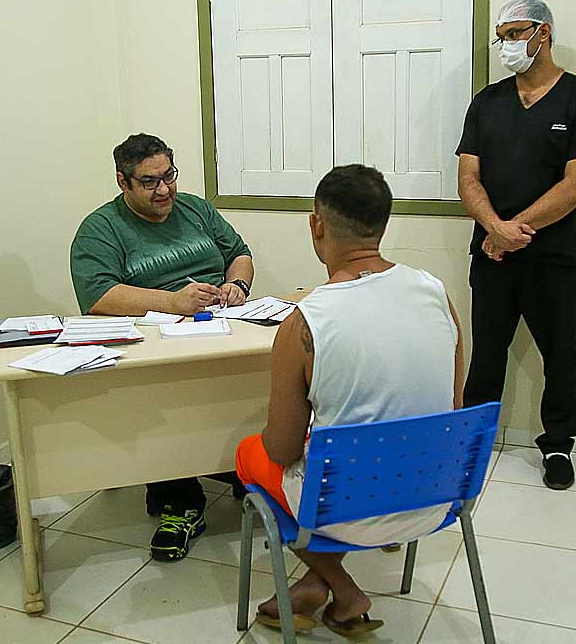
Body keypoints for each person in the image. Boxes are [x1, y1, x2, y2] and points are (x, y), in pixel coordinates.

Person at [234, 165, 464, 636]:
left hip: (344, 510)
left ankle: (341, 586)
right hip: (435, 495)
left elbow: (281, 451)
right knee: (345, 462)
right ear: (384, 223)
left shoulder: (304, 323)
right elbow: (452, 410)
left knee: (249, 454)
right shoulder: (437, 295)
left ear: (316, 225)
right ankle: (321, 588)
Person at [70, 133, 255, 561]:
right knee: (168, 397)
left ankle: (241, 464)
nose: (165, 189)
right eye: (150, 182)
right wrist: (171, 302)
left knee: (259, 380)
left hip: (218, 325)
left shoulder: (195, 208)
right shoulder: (100, 229)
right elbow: (98, 295)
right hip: (151, 339)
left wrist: (237, 284)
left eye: (169, 175)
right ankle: (180, 499)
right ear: (123, 182)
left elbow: (240, 253)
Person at [456, 0, 576, 490]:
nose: (506, 45)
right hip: (491, 255)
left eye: (514, 33)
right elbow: (468, 177)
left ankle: (559, 445)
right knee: (486, 355)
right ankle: (472, 443)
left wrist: (513, 229)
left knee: (560, 354)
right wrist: (493, 229)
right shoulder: (487, 102)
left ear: (543, 33)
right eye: (500, 36)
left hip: (553, 258)